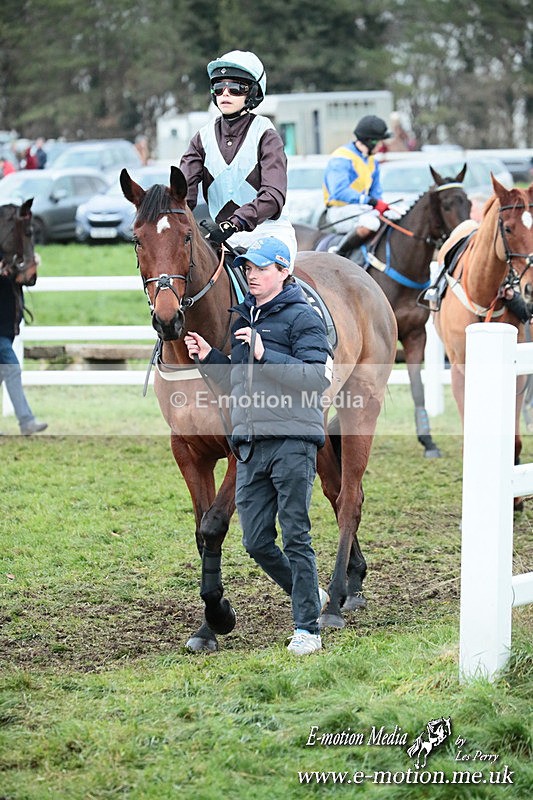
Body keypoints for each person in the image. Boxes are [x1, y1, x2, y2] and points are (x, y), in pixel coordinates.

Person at [184, 237, 331, 655]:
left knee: (296, 538)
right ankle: (309, 592)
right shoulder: (243, 317)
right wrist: (210, 356)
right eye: (248, 268)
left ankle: (308, 630)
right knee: (256, 542)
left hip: (291, 442)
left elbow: (315, 378)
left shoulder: (304, 318)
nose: (252, 274)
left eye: (261, 268)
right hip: (250, 445)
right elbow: (237, 381)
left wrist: (266, 353)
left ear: (283, 271)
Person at [179, 49, 297, 268]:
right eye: (219, 88)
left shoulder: (267, 135)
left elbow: (273, 196)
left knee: (265, 285)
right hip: (222, 238)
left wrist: (235, 223)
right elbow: (183, 194)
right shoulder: (201, 138)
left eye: (235, 88)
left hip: (267, 234)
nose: (225, 94)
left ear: (252, 93)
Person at [323, 114, 396, 256]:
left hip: (361, 208)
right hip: (339, 210)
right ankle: (339, 253)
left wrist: (381, 205)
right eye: (380, 142)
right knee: (371, 224)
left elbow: (376, 193)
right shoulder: (341, 158)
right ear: (370, 141)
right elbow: (339, 191)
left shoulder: (372, 162)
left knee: (394, 217)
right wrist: (369, 201)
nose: (382, 146)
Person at [0, 265, 47, 435]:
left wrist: (28, 269)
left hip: (7, 330)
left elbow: (29, 281)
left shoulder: (12, 253)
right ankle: (26, 421)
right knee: (12, 369)